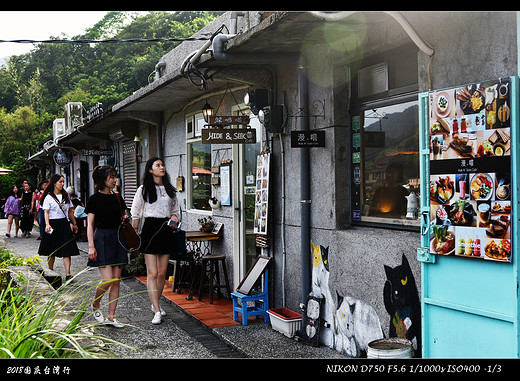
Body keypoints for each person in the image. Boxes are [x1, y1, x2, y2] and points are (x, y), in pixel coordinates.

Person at [131, 157, 180, 325]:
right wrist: (134, 233)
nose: (162, 167)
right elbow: (135, 212)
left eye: (162, 164)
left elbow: (176, 210)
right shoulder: (143, 189)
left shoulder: (169, 189)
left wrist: (175, 218)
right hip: (150, 228)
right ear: (150, 170)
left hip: (166, 229)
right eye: (157, 165)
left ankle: (155, 303)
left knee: (161, 273)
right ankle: (157, 310)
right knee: (152, 273)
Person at [85, 165, 128, 328]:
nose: (115, 179)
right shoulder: (94, 199)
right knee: (107, 279)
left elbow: (123, 214)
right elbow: (90, 224)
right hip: (101, 238)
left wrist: (125, 217)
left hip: (118, 238)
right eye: (112, 177)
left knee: (116, 281)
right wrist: (91, 246)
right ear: (103, 180)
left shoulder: (117, 196)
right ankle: (95, 304)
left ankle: (111, 316)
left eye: (115, 176)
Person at [38, 174, 80, 280]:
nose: (62, 184)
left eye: (63, 182)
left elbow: (70, 211)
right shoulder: (48, 197)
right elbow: (46, 212)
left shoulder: (66, 196)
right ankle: (51, 271)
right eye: (60, 182)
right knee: (51, 250)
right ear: (54, 183)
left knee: (66, 249)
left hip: (64, 224)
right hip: (52, 224)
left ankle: (68, 273)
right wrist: (47, 224)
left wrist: (74, 224)